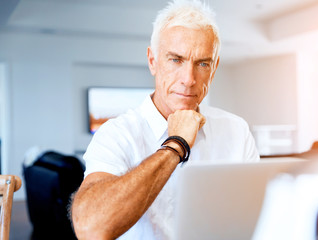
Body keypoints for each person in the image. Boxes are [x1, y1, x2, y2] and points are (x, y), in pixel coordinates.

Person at [71, 0, 260, 239]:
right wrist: (176, 145)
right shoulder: (117, 134)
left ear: (214, 68)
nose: (189, 79)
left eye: (202, 63)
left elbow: (257, 217)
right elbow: (90, 228)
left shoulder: (236, 130)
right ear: (153, 61)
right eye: (176, 60)